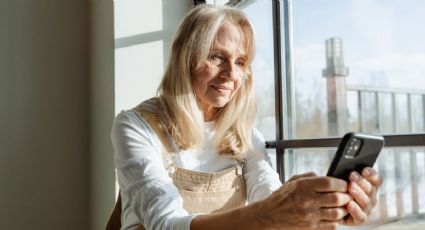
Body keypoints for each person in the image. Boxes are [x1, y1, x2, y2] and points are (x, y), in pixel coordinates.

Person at [109, 4, 383, 230]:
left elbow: (268, 195)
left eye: (240, 62)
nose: (231, 74)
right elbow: (165, 224)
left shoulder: (244, 133)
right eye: (217, 57)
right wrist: (274, 212)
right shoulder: (135, 126)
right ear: (186, 58)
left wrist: (320, 206)